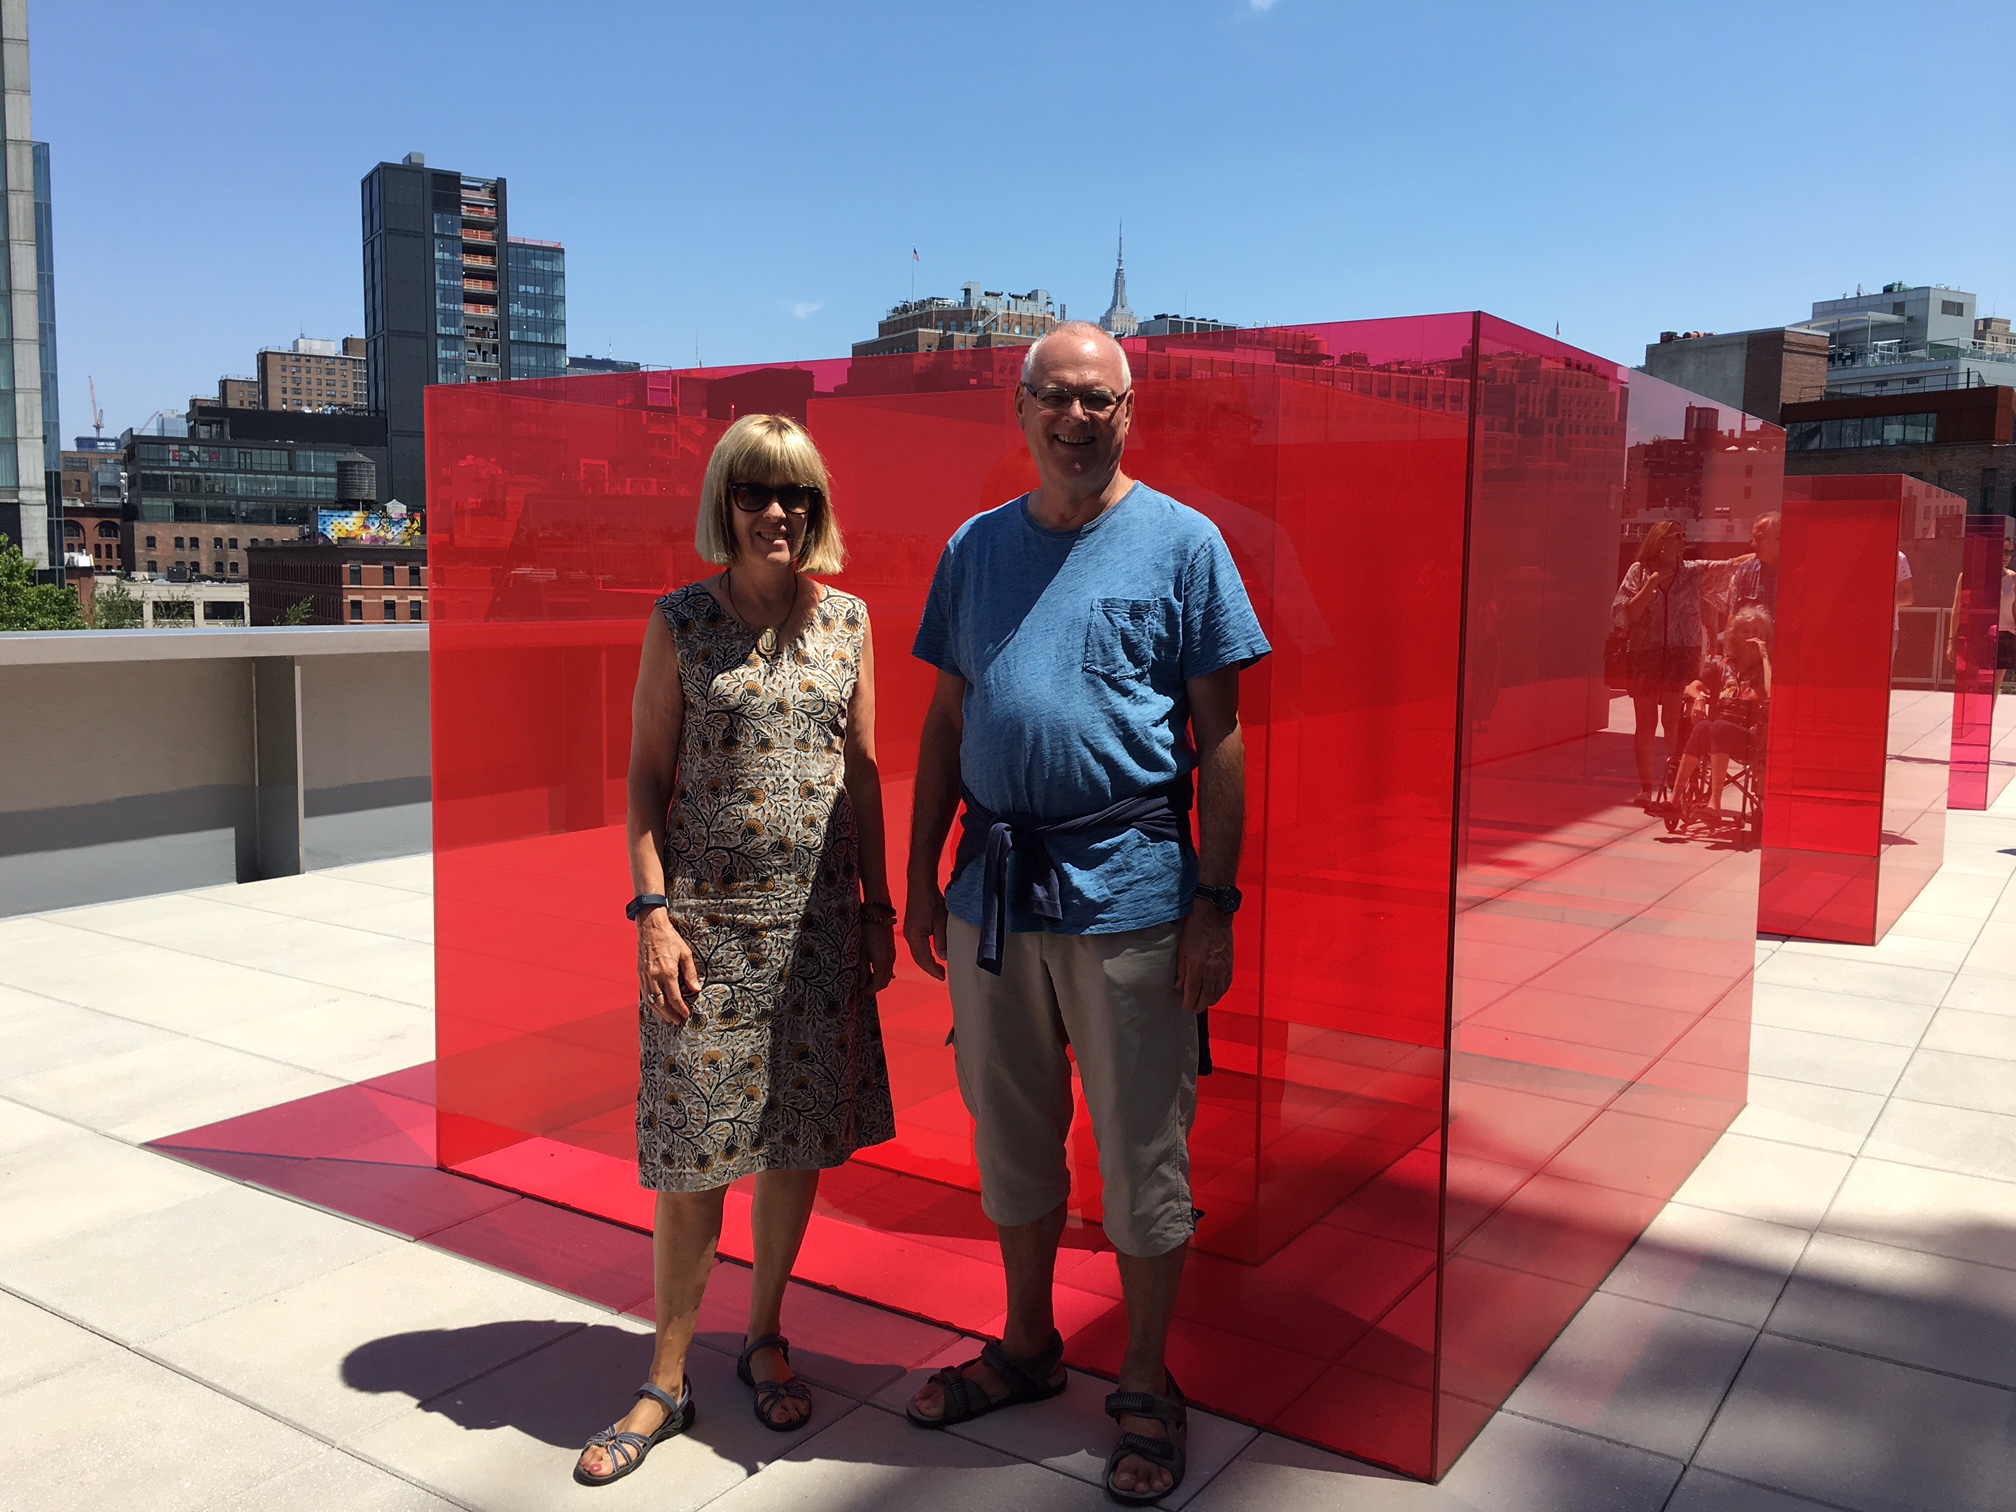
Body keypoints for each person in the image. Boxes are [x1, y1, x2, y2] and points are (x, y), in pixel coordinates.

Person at [901, 322, 1269, 1505]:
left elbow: (1220, 739)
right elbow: (949, 724)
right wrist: (918, 878)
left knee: (1140, 1149)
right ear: (1021, 410)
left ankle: (1148, 1384)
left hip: (1134, 901)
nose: (1076, 421)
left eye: (1098, 402)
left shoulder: (1184, 543)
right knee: (1010, 1136)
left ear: (1129, 411)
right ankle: (1024, 1345)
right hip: (994, 896)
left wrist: (1214, 903)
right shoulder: (974, 549)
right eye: (1055, 400)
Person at [576, 413, 898, 1487]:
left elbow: (861, 776)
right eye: (759, 494)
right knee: (694, 1162)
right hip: (705, 935)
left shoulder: (848, 622)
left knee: (798, 1144)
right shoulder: (681, 622)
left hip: (818, 937)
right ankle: (666, 1378)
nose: (779, 513)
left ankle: (764, 1335)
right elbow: (640, 780)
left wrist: (880, 908)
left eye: (797, 495)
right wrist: (652, 915)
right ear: (726, 505)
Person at [1612, 521, 1746, 806]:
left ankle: (1672, 786)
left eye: (1684, 535)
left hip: (1680, 653)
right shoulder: (1640, 571)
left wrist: (1761, 554)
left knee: (1672, 721)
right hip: (1645, 654)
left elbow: (1729, 565)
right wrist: (1650, 583)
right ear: (1661, 541)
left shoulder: (1692, 572)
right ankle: (1646, 789)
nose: (1683, 540)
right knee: (1645, 723)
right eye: (1677, 536)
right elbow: (1624, 615)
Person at [1671, 606, 1773, 832]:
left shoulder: (1767, 668)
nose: (1750, 636)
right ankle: (1674, 802)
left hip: (1750, 735)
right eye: (1745, 631)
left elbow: (1771, 690)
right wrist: (1699, 698)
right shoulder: (1724, 666)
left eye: (1756, 631)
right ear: (1736, 636)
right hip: (1720, 732)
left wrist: (1765, 655)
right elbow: (1690, 687)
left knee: (1717, 726)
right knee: (1702, 727)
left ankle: (1714, 804)